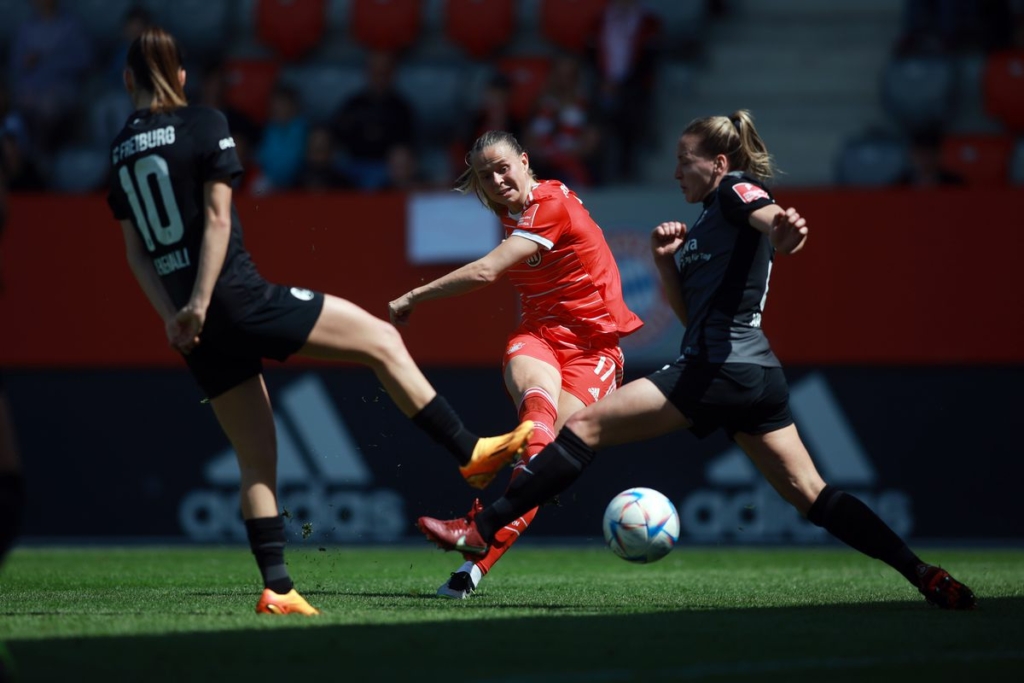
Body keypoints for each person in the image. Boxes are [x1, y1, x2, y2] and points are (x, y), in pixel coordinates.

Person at [417, 110, 977, 611]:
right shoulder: (709, 219)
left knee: (581, 428)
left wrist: (784, 231)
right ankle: (921, 572)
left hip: (718, 367)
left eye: (684, 161)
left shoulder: (735, 193)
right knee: (814, 495)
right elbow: (693, 313)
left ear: (718, 162)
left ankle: (480, 527)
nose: (676, 172)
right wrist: (665, 265)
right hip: (757, 375)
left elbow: (767, 216)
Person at [107, 27, 533, 616]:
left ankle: (277, 588)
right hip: (235, 297)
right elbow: (217, 219)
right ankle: (468, 451)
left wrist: (177, 317)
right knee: (382, 340)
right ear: (180, 77)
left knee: (256, 460)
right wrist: (205, 300)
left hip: (192, 324)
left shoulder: (122, 148)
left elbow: (136, 252)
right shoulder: (203, 123)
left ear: (128, 80)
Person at [390, 130, 642, 598]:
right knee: (536, 417)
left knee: (538, 468)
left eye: (503, 167)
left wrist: (414, 295)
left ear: (525, 162)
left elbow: (487, 270)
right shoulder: (517, 214)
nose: (496, 179)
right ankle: (485, 514)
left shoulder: (548, 203)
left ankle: (471, 568)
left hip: (594, 351)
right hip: (539, 338)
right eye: (485, 175)